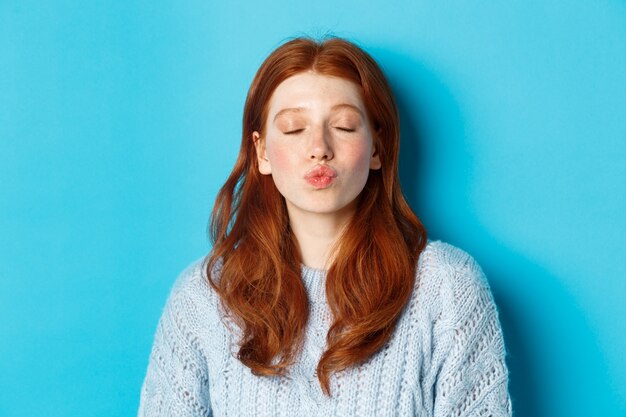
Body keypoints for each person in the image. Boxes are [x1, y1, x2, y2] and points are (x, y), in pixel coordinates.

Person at [138, 37, 512, 417]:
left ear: (378, 149)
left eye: (344, 126)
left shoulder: (446, 288)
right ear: (262, 151)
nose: (319, 147)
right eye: (294, 128)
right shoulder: (204, 296)